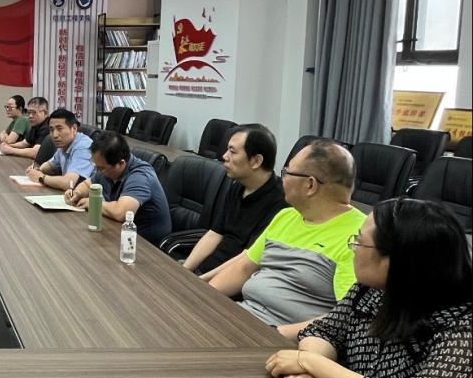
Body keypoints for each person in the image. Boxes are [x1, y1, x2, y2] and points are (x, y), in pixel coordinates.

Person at [266, 198, 472, 378]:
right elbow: (324, 332)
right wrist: (308, 369)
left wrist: (312, 363)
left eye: (360, 241)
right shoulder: (371, 289)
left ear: (394, 260)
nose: (353, 248)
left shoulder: (462, 327)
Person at [209, 139, 366, 339]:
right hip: (243, 317)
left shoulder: (361, 237)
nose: (282, 179)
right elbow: (244, 268)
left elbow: (346, 317)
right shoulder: (286, 216)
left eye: (287, 173)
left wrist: (274, 334)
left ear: (310, 185)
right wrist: (204, 298)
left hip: (282, 339)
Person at [183, 124, 288, 274]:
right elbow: (214, 234)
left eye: (232, 152)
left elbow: (247, 260)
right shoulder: (237, 186)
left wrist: (200, 280)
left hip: (230, 278)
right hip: (206, 270)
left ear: (256, 161)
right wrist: (184, 270)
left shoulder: (281, 202)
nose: (224, 156)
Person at [65, 131, 171, 244]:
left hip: (145, 243)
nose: (98, 171)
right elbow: (88, 184)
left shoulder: (140, 177)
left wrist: (94, 203)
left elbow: (121, 213)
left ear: (121, 163)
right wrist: (77, 193)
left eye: (101, 168)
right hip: (120, 232)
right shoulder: (108, 168)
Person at [25, 109, 94, 191]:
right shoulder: (64, 144)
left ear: (74, 129)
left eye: (59, 129)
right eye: (51, 130)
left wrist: (41, 177)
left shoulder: (83, 147)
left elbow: (69, 183)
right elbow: (51, 165)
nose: (55, 135)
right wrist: (37, 170)